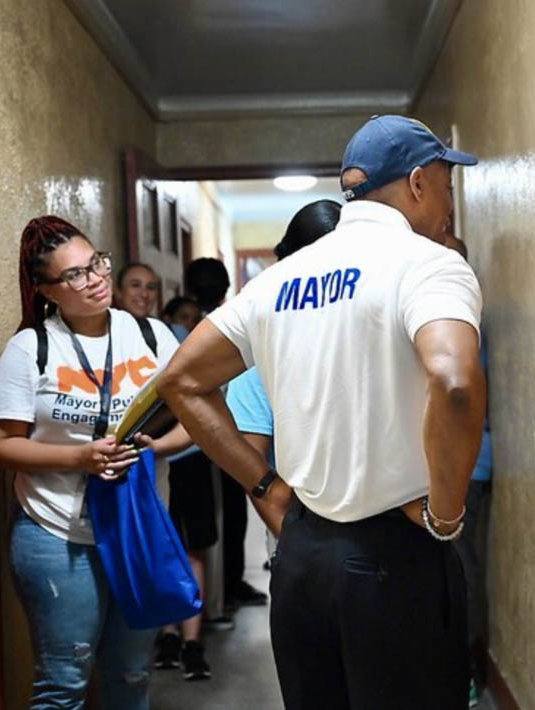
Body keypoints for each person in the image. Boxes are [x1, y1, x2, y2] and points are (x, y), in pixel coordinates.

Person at [158, 115, 486, 710]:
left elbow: (180, 380)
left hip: (303, 559)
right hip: (396, 551)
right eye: (445, 185)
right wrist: (445, 512)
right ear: (416, 183)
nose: (447, 204)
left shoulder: (278, 280)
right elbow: (456, 382)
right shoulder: (429, 264)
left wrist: (263, 484)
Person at [0, 216, 191, 708]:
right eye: (74, 274)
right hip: (58, 534)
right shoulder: (31, 348)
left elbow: (194, 417)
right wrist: (80, 457)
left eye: (96, 263)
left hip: (138, 529)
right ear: (46, 290)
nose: (95, 279)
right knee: (64, 684)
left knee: (133, 676)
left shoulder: (152, 334)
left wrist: (157, 448)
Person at [225, 200, 343, 544]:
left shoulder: (374, 330)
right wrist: (292, 545)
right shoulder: (262, 345)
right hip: (303, 527)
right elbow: (251, 460)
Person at [152, 265, 227, 679]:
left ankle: (191, 640)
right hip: (156, 463)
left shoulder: (197, 344)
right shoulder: (148, 347)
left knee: (194, 549)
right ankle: (169, 635)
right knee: (167, 549)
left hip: (192, 460)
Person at [186, 257, 270, 611]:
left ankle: (229, 586)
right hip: (203, 441)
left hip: (228, 432)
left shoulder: (228, 325)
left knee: (233, 515)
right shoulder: (201, 328)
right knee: (220, 520)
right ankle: (220, 593)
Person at [444, 233, 492, 709]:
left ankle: (464, 671)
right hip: (451, 463)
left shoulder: (460, 324)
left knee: (457, 569)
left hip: (465, 466)